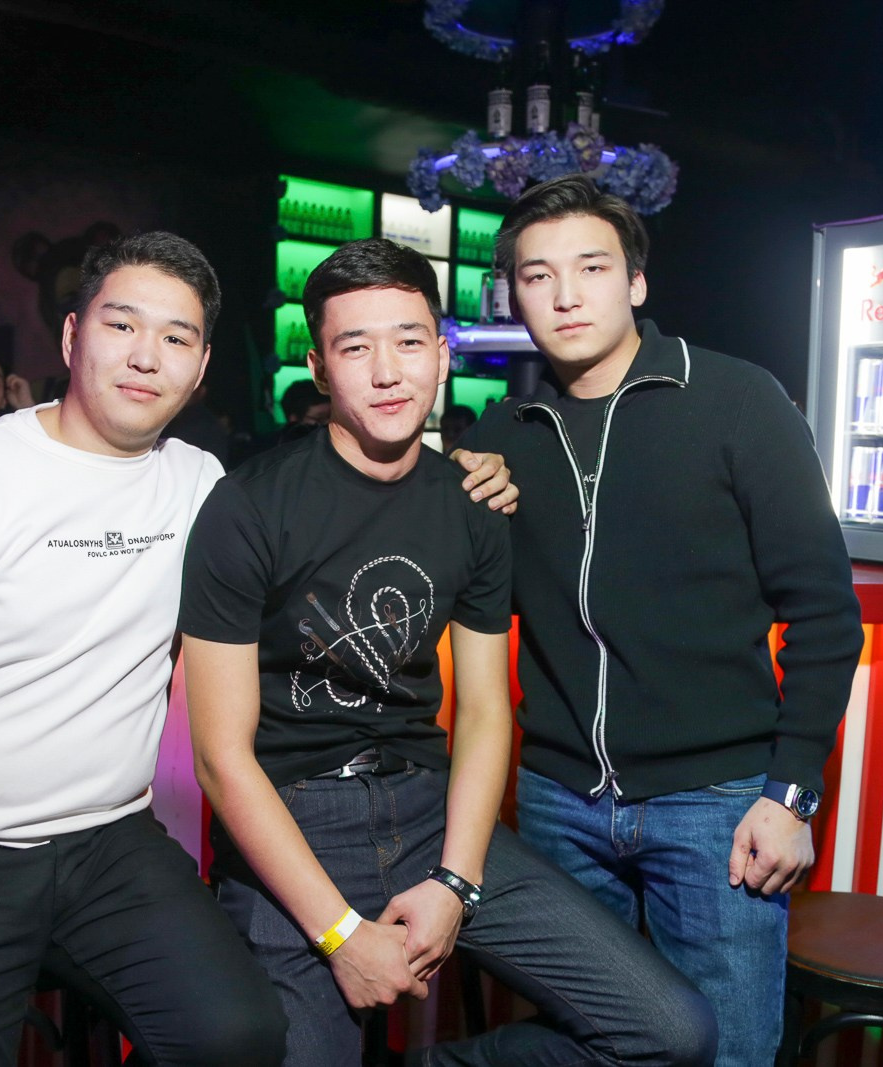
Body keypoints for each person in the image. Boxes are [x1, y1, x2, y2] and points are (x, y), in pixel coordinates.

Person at [0, 231, 518, 1067]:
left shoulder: (201, 485)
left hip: (109, 844)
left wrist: (468, 469)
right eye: (122, 325)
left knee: (241, 1038)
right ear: (73, 335)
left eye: (176, 337)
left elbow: (355, 490)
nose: (146, 356)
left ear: (200, 366)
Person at [180, 238, 715, 1067]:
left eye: (408, 341)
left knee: (672, 1033)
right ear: (319, 368)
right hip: (295, 820)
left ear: (440, 351)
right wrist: (339, 931)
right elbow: (221, 757)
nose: (387, 371)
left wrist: (456, 883)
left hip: (432, 811)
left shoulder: (473, 504)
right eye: (355, 347)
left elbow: (486, 711)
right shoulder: (248, 506)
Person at [458, 175, 864, 1066]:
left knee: (729, 1051)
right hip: (560, 799)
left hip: (716, 804)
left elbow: (826, 612)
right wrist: (454, 490)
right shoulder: (504, 435)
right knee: (590, 1047)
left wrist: (790, 791)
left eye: (591, 267)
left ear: (636, 281)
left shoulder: (736, 399)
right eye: (537, 276)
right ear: (514, 295)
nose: (565, 295)